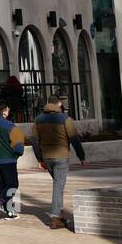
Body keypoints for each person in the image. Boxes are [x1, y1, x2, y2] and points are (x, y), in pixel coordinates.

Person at [32, 96, 87, 230]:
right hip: (61, 156)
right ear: (59, 104)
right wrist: (81, 156)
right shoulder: (65, 119)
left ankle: (60, 213)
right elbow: (74, 138)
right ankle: (55, 218)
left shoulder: (38, 119)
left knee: (58, 184)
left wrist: (39, 159)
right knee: (58, 186)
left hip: (46, 157)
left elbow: (34, 140)